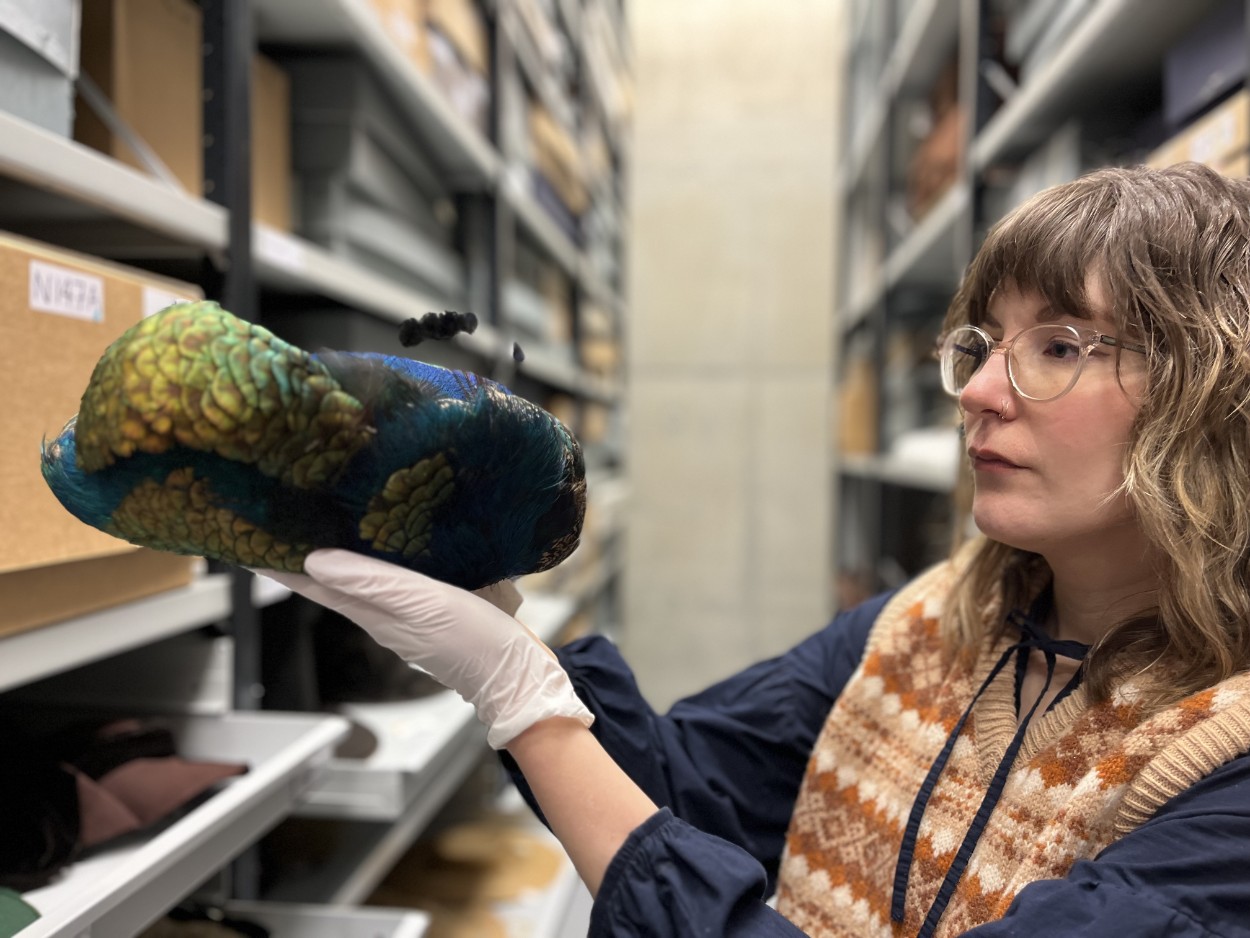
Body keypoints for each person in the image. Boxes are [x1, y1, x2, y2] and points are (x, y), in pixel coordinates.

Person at [266, 162, 1250, 936]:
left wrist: (527, 706)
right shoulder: (928, 624)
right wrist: (506, 632)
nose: (978, 390)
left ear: (1213, 393)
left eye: (1060, 345)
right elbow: (686, 784)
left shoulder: (1224, 771)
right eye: (982, 342)